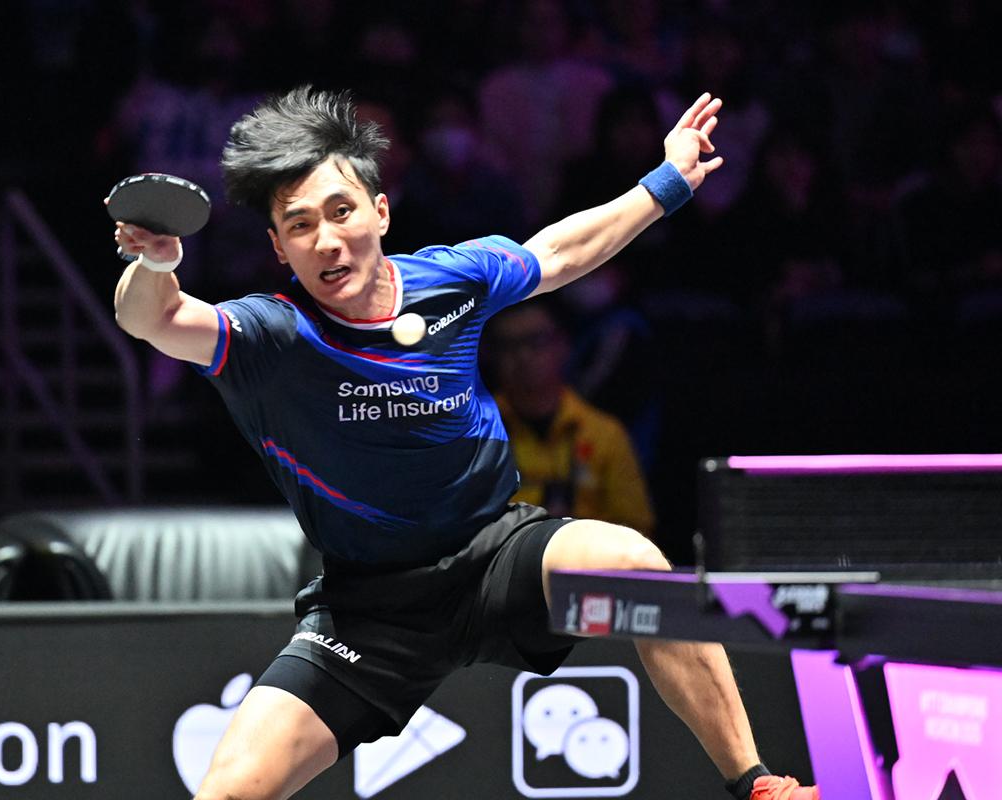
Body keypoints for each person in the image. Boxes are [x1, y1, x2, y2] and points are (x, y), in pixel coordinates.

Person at [111, 87, 818, 800]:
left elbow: (559, 251)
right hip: (369, 611)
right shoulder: (271, 336)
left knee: (634, 565)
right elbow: (155, 320)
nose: (325, 239)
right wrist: (156, 264)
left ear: (380, 212)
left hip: (498, 556)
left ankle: (758, 786)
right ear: (278, 247)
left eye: (341, 211)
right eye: (300, 225)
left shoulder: (450, 281)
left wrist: (666, 182)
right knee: (228, 791)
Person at [487, 296, 655, 535]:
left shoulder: (605, 433)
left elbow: (638, 527)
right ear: (491, 354)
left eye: (536, 341)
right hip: (507, 555)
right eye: (509, 345)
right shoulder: (476, 433)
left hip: (588, 555)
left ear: (563, 345)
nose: (523, 356)